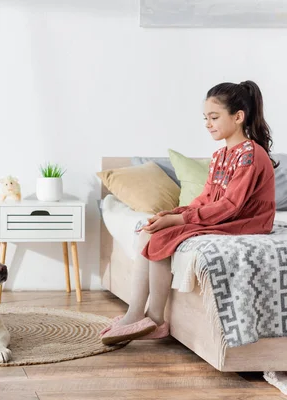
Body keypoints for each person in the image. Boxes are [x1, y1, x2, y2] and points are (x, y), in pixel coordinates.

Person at [100, 80, 277, 345]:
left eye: (214, 117)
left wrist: (181, 219)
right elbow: (206, 197)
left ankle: (154, 317)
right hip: (224, 215)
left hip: (245, 221)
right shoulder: (220, 156)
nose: (208, 124)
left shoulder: (250, 154)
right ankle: (137, 313)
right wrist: (172, 214)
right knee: (149, 232)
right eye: (205, 118)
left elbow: (231, 205)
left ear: (238, 117)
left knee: (162, 237)